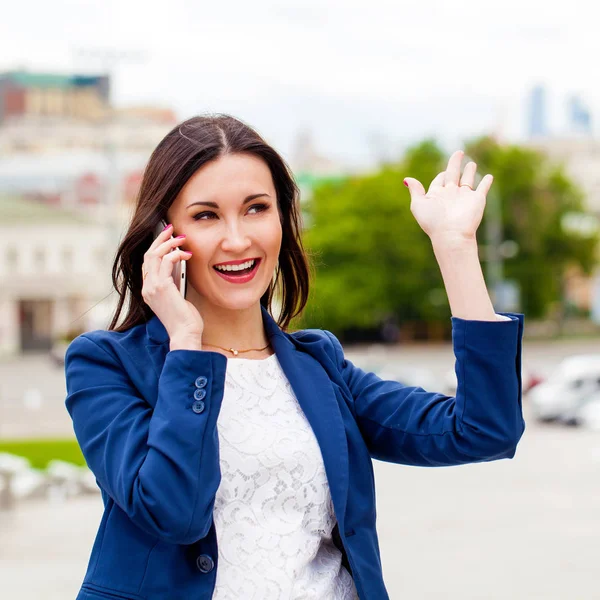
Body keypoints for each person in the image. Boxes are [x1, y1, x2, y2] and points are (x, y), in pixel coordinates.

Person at [65, 114, 525, 600]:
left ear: (283, 217)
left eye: (256, 208)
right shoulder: (105, 364)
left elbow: (483, 431)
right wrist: (185, 340)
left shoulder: (318, 364)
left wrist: (455, 250)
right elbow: (172, 512)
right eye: (205, 216)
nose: (237, 240)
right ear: (165, 234)